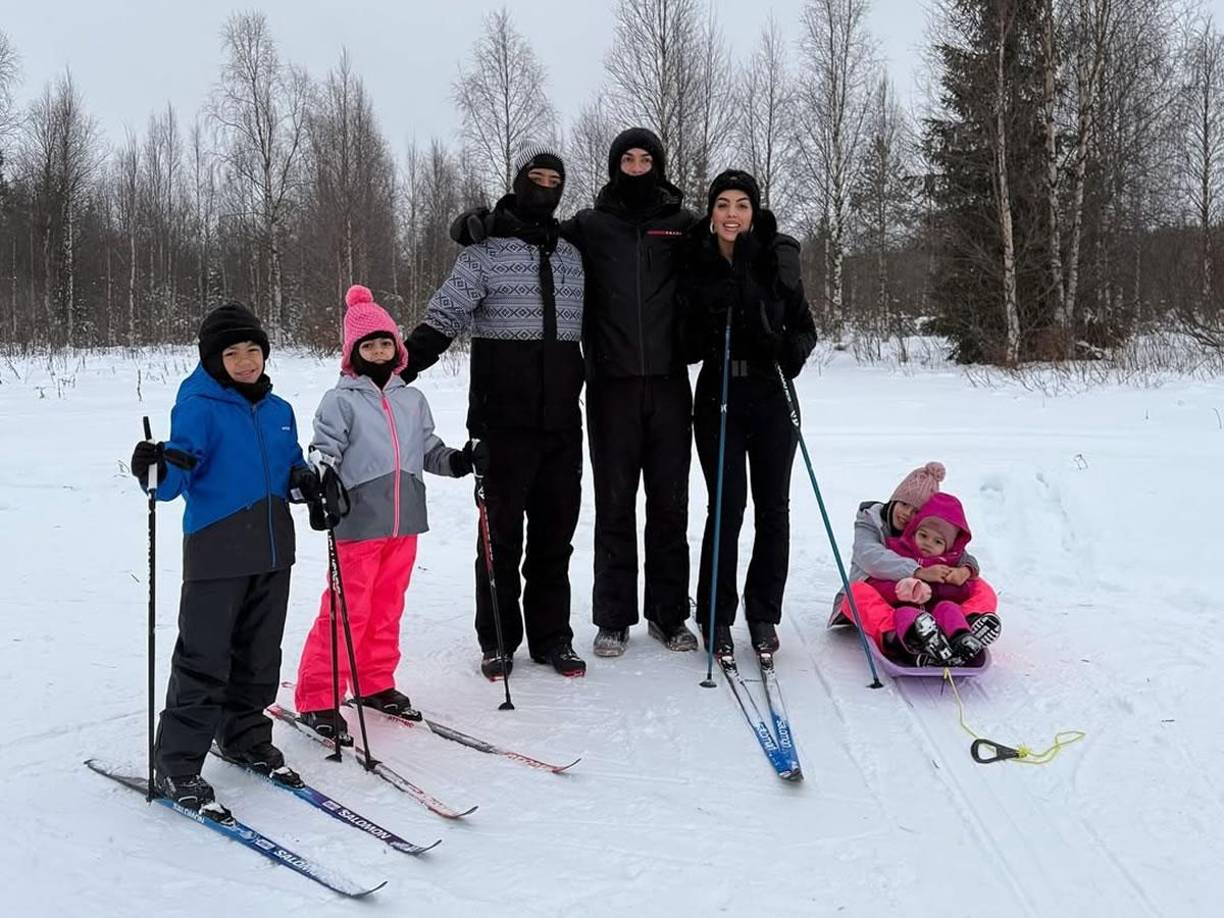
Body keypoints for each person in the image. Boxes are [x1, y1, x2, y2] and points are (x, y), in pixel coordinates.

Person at [452, 127, 700, 659]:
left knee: (670, 505)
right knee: (613, 504)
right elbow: (530, 227)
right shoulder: (589, 226)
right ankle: (612, 618)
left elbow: (729, 246)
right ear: (615, 167)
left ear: (658, 164)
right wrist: (481, 222)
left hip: (670, 385)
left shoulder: (682, 226)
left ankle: (669, 613)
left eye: (645, 158)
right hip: (610, 387)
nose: (636, 166)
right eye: (627, 159)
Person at [400, 145, 587, 679]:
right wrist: (399, 369)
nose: (545, 186)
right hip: (501, 423)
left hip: (561, 423)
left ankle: (554, 637)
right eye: (537, 176)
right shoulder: (483, 252)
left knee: (555, 537)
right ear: (520, 180)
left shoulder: (572, 253)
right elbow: (445, 315)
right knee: (499, 540)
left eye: (555, 179)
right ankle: (499, 639)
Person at [129, 302, 316, 819]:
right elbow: (173, 480)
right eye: (232, 353)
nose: (245, 361)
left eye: (253, 350)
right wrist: (154, 468)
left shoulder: (279, 411)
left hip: (275, 550)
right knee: (204, 657)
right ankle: (176, 762)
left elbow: (291, 466)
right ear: (213, 360)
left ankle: (244, 737)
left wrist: (306, 483)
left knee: (260, 655)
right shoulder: (198, 406)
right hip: (217, 551)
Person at [293, 285, 472, 743]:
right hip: (358, 520)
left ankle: (374, 683)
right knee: (345, 610)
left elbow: (427, 449)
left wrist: (457, 461)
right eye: (367, 344)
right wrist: (321, 476)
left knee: (387, 607)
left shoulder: (412, 400)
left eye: (384, 341)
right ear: (353, 351)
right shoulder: (341, 400)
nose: (377, 350)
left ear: (397, 346)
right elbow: (325, 449)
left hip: (405, 518)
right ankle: (318, 696)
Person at [680, 169, 818, 657]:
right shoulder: (696, 260)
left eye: (741, 204)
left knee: (773, 508)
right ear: (711, 212)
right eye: (722, 204)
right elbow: (684, 341)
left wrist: (782, 348)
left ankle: (763, 614)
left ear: (753, 211)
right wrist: (704, 323)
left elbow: (805, 328)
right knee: (727, 507)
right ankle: (716, 615)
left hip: (771, 393)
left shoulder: (774, 259)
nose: (731, 214)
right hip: (719, 392)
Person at [829, 462, 1002, 664]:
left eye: (915, 511)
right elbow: (869, 557)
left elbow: (960, 554)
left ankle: (964, 629)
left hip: (931, 606)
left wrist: (965, 570)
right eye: (903, 504)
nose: (906, 514)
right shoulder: (870, 521)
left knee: (980, 586)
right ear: (894, 499)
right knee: (855, 593)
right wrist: (919, 572)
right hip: (883, 599)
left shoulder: (925, 532)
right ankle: (898, 637)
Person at [864, 492, 986, 664]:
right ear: (913, 532)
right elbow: (877, 582)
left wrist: (947, 582)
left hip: (938, 615)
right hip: (905, 612)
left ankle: (962, 640)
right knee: (905, 613)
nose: (928, 543)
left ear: (948, 547)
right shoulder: (898, 552)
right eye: (923, 536)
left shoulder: (951, 562)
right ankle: (916, 648)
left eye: (938, 542)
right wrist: (901, 590)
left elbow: (964, 592)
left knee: (949, 607)